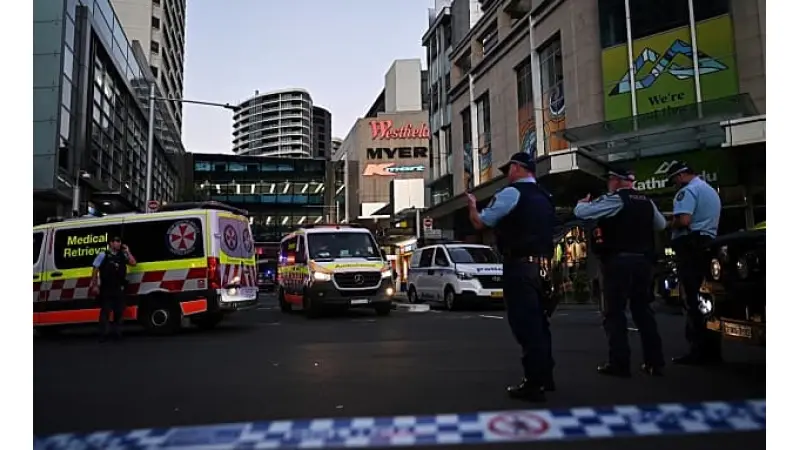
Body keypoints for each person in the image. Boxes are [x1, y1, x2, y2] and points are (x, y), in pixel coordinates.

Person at [466, 152, 557, 402]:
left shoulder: (512, 193)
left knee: (526, 325)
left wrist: (473, 206)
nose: (507, 174)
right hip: (545, 267)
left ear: (518, 168)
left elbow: (481, 223)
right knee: (541, 323)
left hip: (520, 266)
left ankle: (534, 383)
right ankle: (545, 376)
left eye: (509, 169)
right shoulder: (545, 196)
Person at [574, 168, 667, 377]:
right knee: (643, 311)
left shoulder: (616, 200)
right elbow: (660, 225)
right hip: (643, 262)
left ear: (616, 181)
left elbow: (581, 214)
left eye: (610, 179)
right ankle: (655, 361)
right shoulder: (646, 201)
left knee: (614, 313)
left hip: (618, 262)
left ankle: (620, 363)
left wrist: (583, 203)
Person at [666, 162, 722, 365]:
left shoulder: (687, 192)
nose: (674, 184)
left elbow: (684, 221)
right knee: (708, 300)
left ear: (681, 176)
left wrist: (669, 222)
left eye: (674, 180)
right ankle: (712, 350)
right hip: (708, 245)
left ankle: (697, 350)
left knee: (692, 299)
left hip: (691, 248)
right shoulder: (708, 190)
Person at [89, 236, 137, 342]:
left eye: (119, 241)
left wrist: (128, 252)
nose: (118, 243)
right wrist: (95, 285)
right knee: (105, 311)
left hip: (119, 287)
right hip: (106, 288)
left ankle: (117, 333)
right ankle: (103, 334)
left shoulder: (122, 255)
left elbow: (133, 263)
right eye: (116, 241)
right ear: (110, 243)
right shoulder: (103, 255)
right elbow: (95, 269)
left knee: (119, 312)